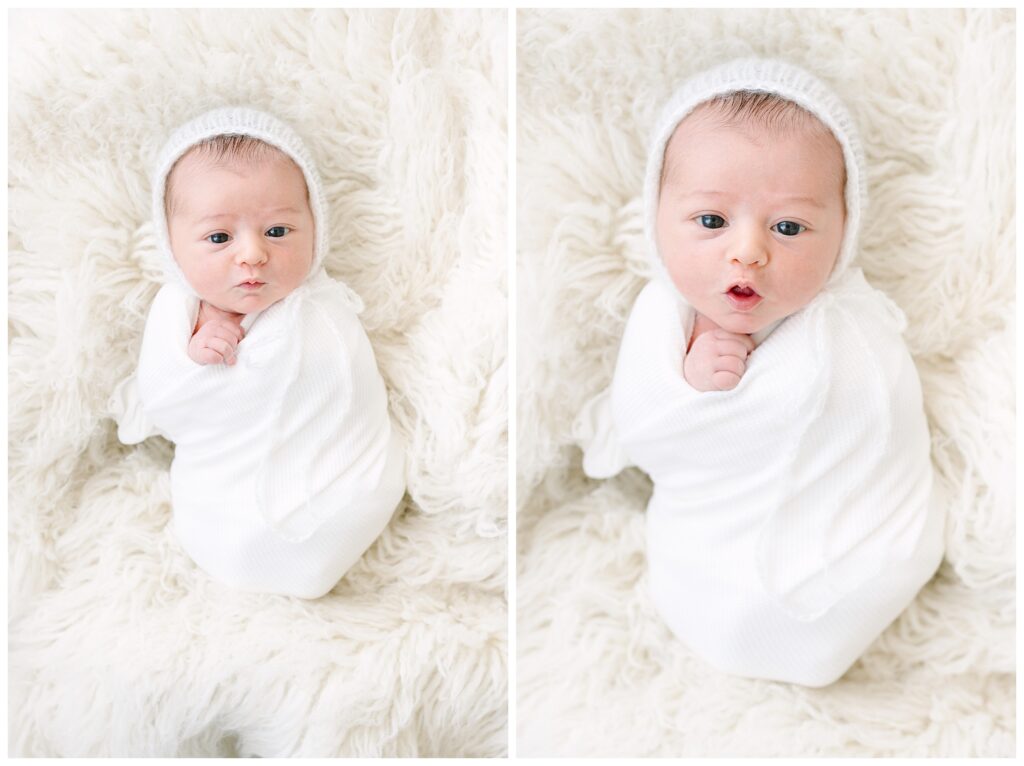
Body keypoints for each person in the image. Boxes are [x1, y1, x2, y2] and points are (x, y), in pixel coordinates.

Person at [575, 59, 945, 686]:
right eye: (712, 221)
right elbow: (645, 426)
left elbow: (878, 421)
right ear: (657, 219)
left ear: (844, 234)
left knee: (873, 558)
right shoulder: (662, 318)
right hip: (716, 536)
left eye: (789, 226)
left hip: (849, 535)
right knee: (721, 590)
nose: (749, 251)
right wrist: (690, 389)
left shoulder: (854, 331)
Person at [110, 108, 406, 599]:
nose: (251, 254)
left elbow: (345, 388)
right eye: (219, 237)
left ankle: (324, 536)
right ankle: (252, 551)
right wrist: (195, 359)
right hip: (227, 490)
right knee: (230, 525)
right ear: (173, 248)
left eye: (277, 231)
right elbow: (165, 396)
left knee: (360, 487)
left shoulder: (324, 311)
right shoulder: (177, 314)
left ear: (316, 227)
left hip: (340, 477)